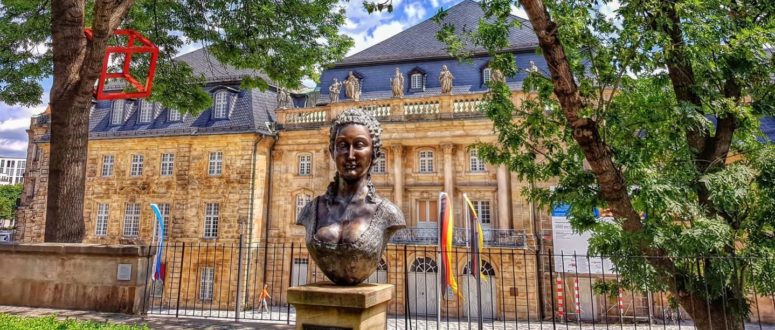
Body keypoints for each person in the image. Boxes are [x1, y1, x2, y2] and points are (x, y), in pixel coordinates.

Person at [296, 109, 405, 285]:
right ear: (332, 151)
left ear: (375, 152)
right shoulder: (311, 210)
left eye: (359, 144)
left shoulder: (388, 213)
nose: (350, 155)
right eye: (342, 145)